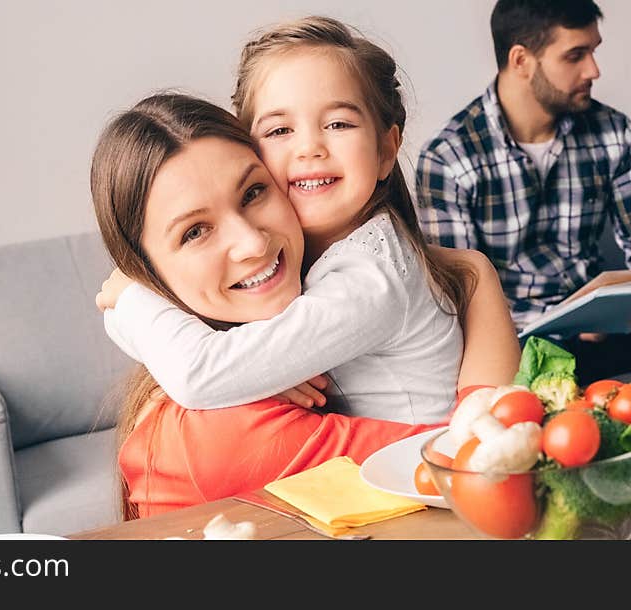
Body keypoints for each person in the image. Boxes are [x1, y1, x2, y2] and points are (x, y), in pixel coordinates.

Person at [96, 16, 519, 426]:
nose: (310, 148)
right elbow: (211, 371)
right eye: (280, 131)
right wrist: (261, 378)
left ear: (386, 151)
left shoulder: (371, 277)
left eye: (338, 123)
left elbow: (200, 374)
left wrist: (132, 298)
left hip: (417, 489)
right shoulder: (299, 263)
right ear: (249, 149)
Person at [90, 92, 496, 518]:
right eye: (195, 232)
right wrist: (477, 280)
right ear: (148, 272)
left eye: (253, 192)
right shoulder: (206, 433)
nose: (251, 242)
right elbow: (466, 464)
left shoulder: (336, 299)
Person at [415, 0, 631, 385]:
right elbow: (458, 299)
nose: (593, 70)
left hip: (604, 333)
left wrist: (608, 308)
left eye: (593, 52)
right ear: (521, 60)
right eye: (575, 56)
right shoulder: (450, 158)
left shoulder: (614, 133)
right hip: (513, 351)